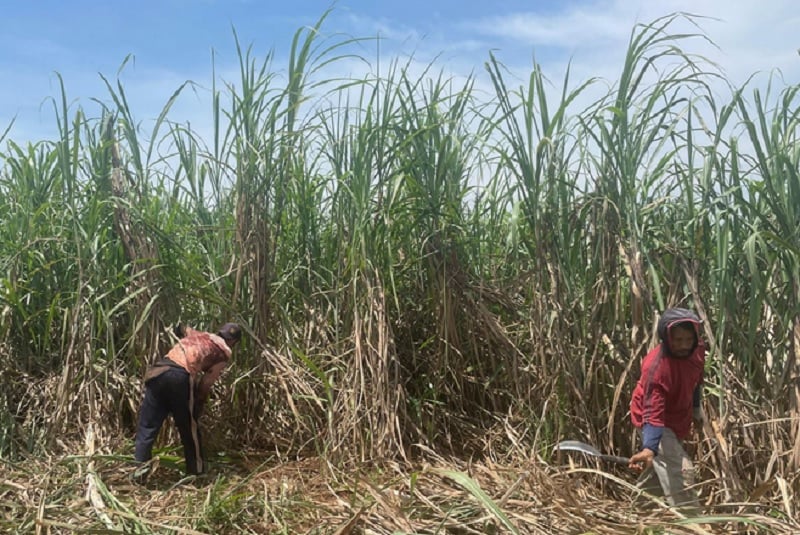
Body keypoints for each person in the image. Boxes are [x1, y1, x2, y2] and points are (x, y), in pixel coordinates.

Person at [134, 322, 242, 477]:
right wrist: (198, 403)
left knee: (147, 427)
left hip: (158, 371)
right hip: (179, 376)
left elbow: (182, 328)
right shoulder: (223, 352)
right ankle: (196, 472)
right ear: (233, 341)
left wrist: (178, 328)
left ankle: (139, 473)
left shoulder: (199, 334)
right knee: (189, 429)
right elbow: (206, 383)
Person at [628, 307, 706, 513]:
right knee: (681, 470)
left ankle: (637, 514)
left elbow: (696, 380)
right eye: (677, 340)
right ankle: (693, 524)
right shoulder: (657, 368)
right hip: (655, 422)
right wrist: (649, 447)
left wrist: (696, 410)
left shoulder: (698, 350)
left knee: (659, 470)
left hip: (678, 418)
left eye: (688, 339)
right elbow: (652, 413)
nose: (683, 345)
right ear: (666, 337)